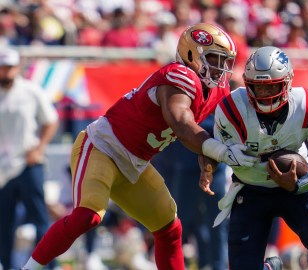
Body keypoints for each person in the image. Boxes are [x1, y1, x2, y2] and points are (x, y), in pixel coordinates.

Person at [21, 23, 261, 270]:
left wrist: (206, 158)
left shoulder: (215, 89)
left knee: (169, 227)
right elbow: (181, 123)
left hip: (135, 162)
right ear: (192, 54)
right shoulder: (180, 75)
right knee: (88, 215)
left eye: (224, 61)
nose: (220, 68)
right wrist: (218, 150)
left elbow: (197, 131)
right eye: (214, 59)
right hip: (101, 147)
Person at [201, 46, 308, 270]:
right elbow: (209, 147)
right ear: (247, 83)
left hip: (296, 192)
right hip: (250, 190)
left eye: (272, 86)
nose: (265, 94)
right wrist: (210, 163)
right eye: (258, 88)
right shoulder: (232, 108)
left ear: (288, 81)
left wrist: (300, 183)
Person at [0, 47, 59, 270]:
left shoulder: (30, 91)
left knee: (39, 220)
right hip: (2, 168)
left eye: (9, 67)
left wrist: (39, 148)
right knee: (3, 224)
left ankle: (49, 266)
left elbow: (50, 120)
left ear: (17, 67)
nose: (6, 72)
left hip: (28, 163)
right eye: (3, 67)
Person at [151, 114, 229, 270]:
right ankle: (173, 264)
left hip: (216, 170)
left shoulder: (219, 95)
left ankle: (218, 265)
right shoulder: (186, 94)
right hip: (187, 168)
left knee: (218, 222)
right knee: (179, 222)